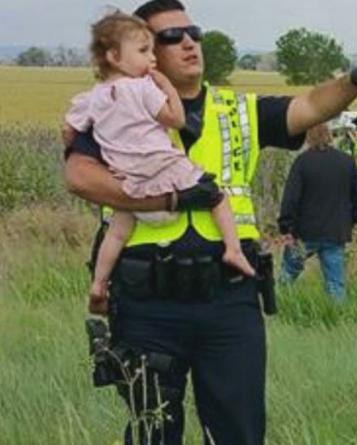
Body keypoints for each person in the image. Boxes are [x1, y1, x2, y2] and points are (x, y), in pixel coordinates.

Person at [63, 0, 357, 445]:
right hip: (149, 301)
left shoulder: (237, 111)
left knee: (240, 433)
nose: (189, 42)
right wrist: (171, 201)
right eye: (171, 36)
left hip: (230, 298)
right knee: (153, 433)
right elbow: (81, 177)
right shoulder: (116, 107)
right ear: (145, 54)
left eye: (193, 31)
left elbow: (310, 107)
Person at [69, 12, 256, 317]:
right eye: (144, 52)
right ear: (115, 56)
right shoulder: (144, 89)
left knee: (116, 233)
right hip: (163, 171)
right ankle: (234, 250)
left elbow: (70, 127)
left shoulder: (93, 97)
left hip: (130, 185)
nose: (151, 59)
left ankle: (99, 283)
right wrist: (166, 86)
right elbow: (176, 119)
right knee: (216, 195)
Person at [278, 123, 357, 303]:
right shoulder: (346, 162)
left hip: (304, 232)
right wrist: (350, 221)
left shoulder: (302, 162)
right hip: (336, 231)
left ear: (308, 138)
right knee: (335, 283)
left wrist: (286, 227)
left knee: (287, 275)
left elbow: (291, 199)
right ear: (329, 136)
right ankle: (336, 320)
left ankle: (278, 310)